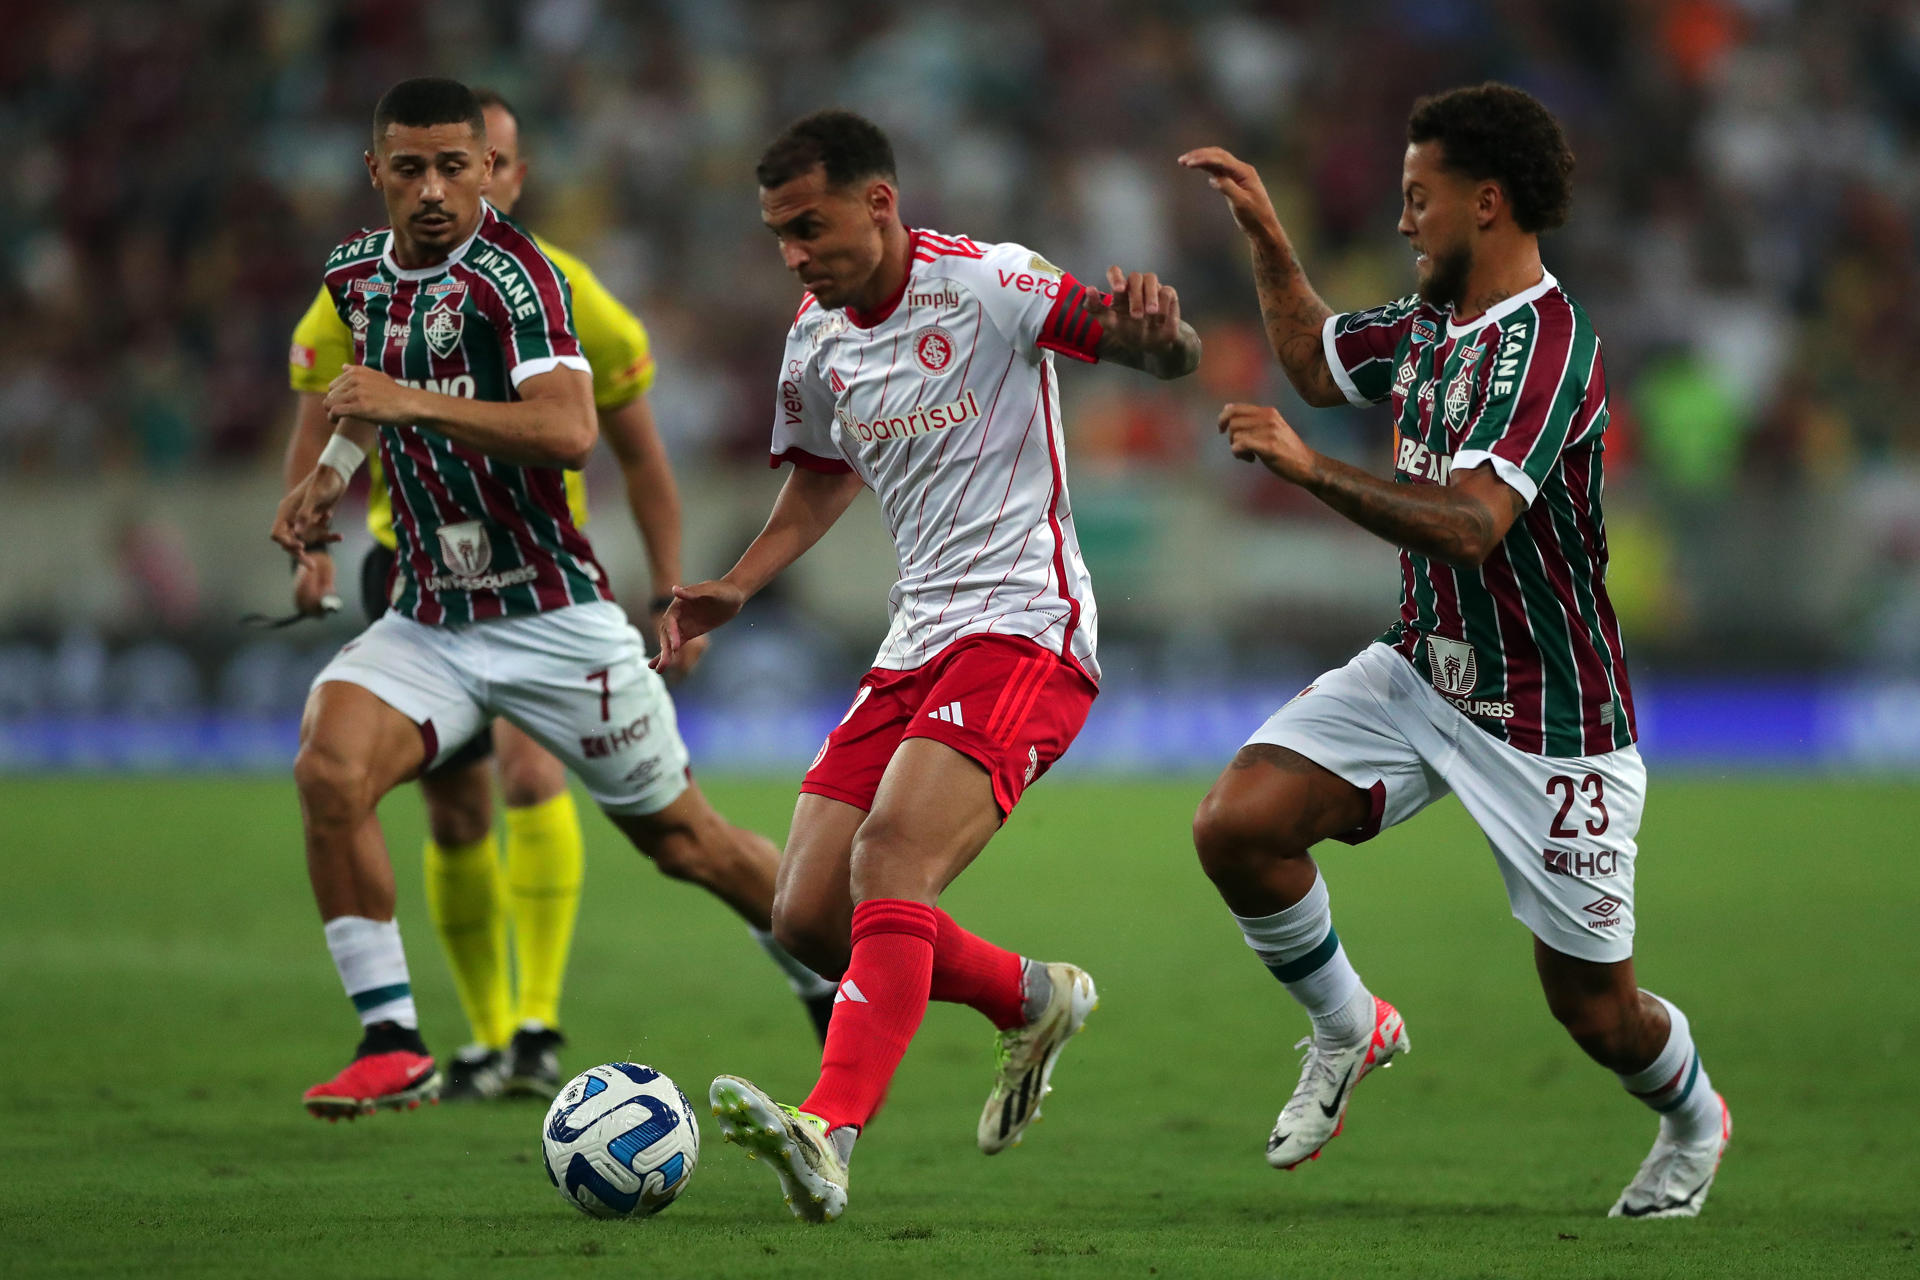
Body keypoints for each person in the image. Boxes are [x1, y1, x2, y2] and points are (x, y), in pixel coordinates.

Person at [1180, 82, 1730, 1219]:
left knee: (1593, 1010)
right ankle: (1348, 1025)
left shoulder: (1552, 346)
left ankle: (1693, 1115)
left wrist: (1308, 469)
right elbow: (1317, 364)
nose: (1401, 221)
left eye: (1416, 199)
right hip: (1422, 667)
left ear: (1486, 202)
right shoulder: (1429, 322)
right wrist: (1271, 240)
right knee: (1239, 823)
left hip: (1552, 718)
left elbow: (1475, 526)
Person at [651, 110, 1201, 1222]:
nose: (795, 255)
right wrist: (738, 584)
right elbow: (819, 478)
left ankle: (830, 1127)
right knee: (806, 913)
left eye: (810, 227)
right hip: (916, 639)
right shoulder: (816, 338)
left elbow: (1152, 350)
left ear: (881, 203)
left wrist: (1160, 331)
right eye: (778, 236)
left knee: (892, 855)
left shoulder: (991, 281)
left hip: (1026, 626)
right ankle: (1029, 994)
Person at [274, 77, 824, 1121]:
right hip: (431, 617)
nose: (433, 189)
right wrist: (329, 480)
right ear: (375, 172)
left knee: (686, 843)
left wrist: (405, 401)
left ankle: (826, 978)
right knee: (329, 764)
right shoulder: (352, 274)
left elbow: (572, 430)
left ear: (490, 170)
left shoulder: (520, 279)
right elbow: (363, 399)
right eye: (411, 167)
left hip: (551, 617)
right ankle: (392, 1035)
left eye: (454, 166)